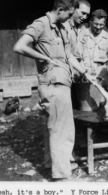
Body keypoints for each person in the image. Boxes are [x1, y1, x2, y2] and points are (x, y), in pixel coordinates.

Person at [13, 0, 96, 181]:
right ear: (60, 10)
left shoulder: (60, 27)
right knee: (61, 130)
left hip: (62, 82)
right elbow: (19, 46)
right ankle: (61, 176)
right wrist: (46, 58)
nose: (69, 19)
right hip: (53, 83)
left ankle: (53, 164)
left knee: (55, 126)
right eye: (68, 14)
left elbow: (68, 55)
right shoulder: (41, 24)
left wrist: (84, 72)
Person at [85, 9, 108, 90]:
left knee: (101, 99)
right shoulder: (83, 34)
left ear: (104, 23)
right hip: (86, 70)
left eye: (101, 24)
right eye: (96, 24)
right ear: (91, 22)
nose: (98, 27)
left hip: (101, 71)